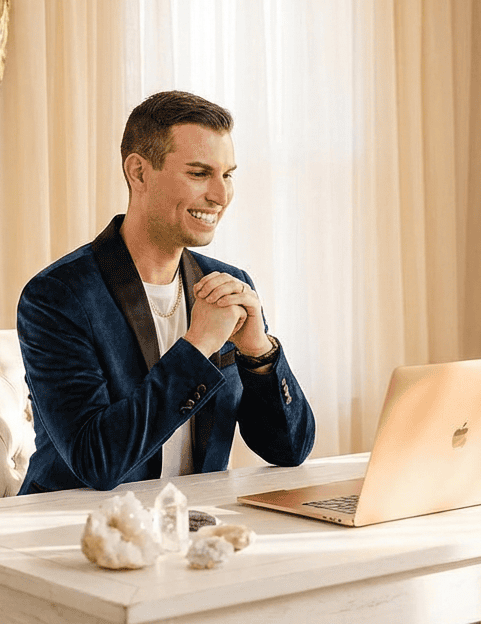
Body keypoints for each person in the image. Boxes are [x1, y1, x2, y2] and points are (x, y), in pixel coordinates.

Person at [16, 90, 316, 493]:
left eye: (227, 175)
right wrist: (198, 346)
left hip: (194, 518)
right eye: (199, 173)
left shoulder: (227, 283)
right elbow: (97, 461)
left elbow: (289, 450)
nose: (220, 196)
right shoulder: (58, 296)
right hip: (78, 522)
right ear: (139, 172)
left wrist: (259, 353)